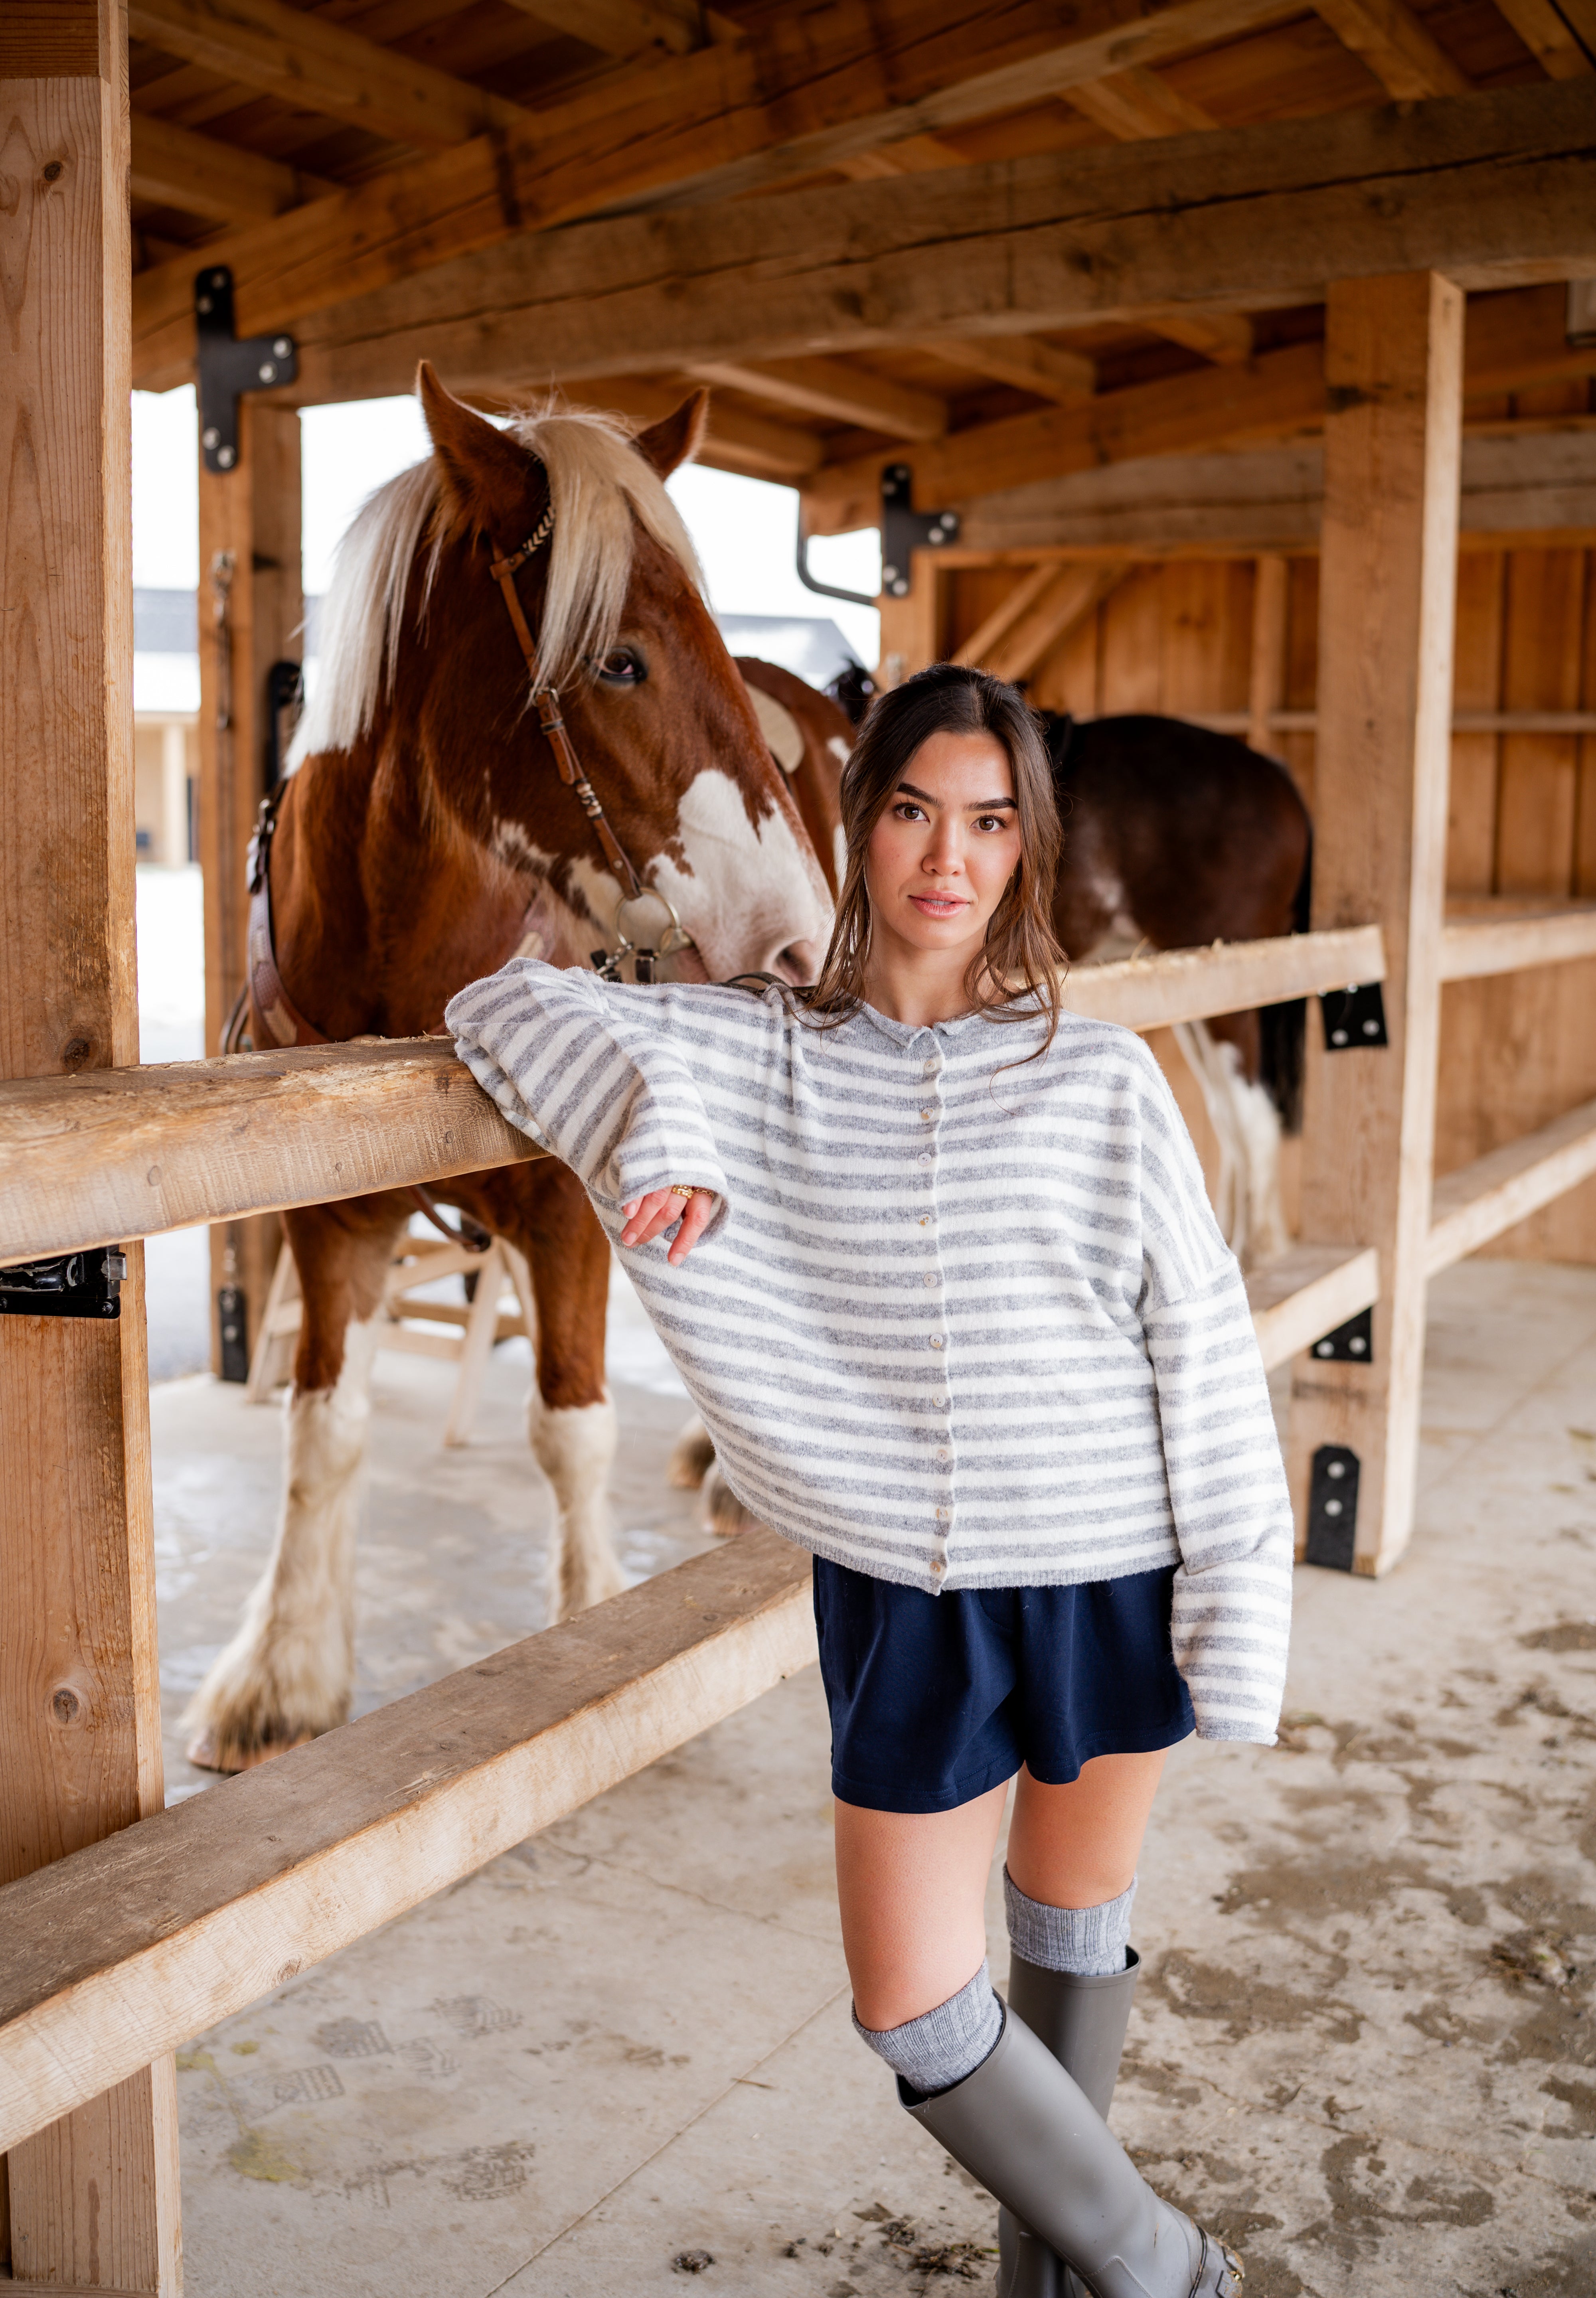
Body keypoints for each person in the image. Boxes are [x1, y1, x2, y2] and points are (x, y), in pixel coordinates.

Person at [447, 662, 1292, 2298]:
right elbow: (509, 1001)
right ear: (860, 822)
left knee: (1068, 1926)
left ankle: (1058, 2284)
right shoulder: (760, 1053)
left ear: (1026, 850)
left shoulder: (1100, 1076)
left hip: (1110, 1571)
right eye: (912, 809)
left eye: (988, 822)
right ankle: (1166, 2268)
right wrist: (663, 1122)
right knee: (914, 2004)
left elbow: (1199, 1355)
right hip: (905, 1602)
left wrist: (1236, 1609)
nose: (945, 857)